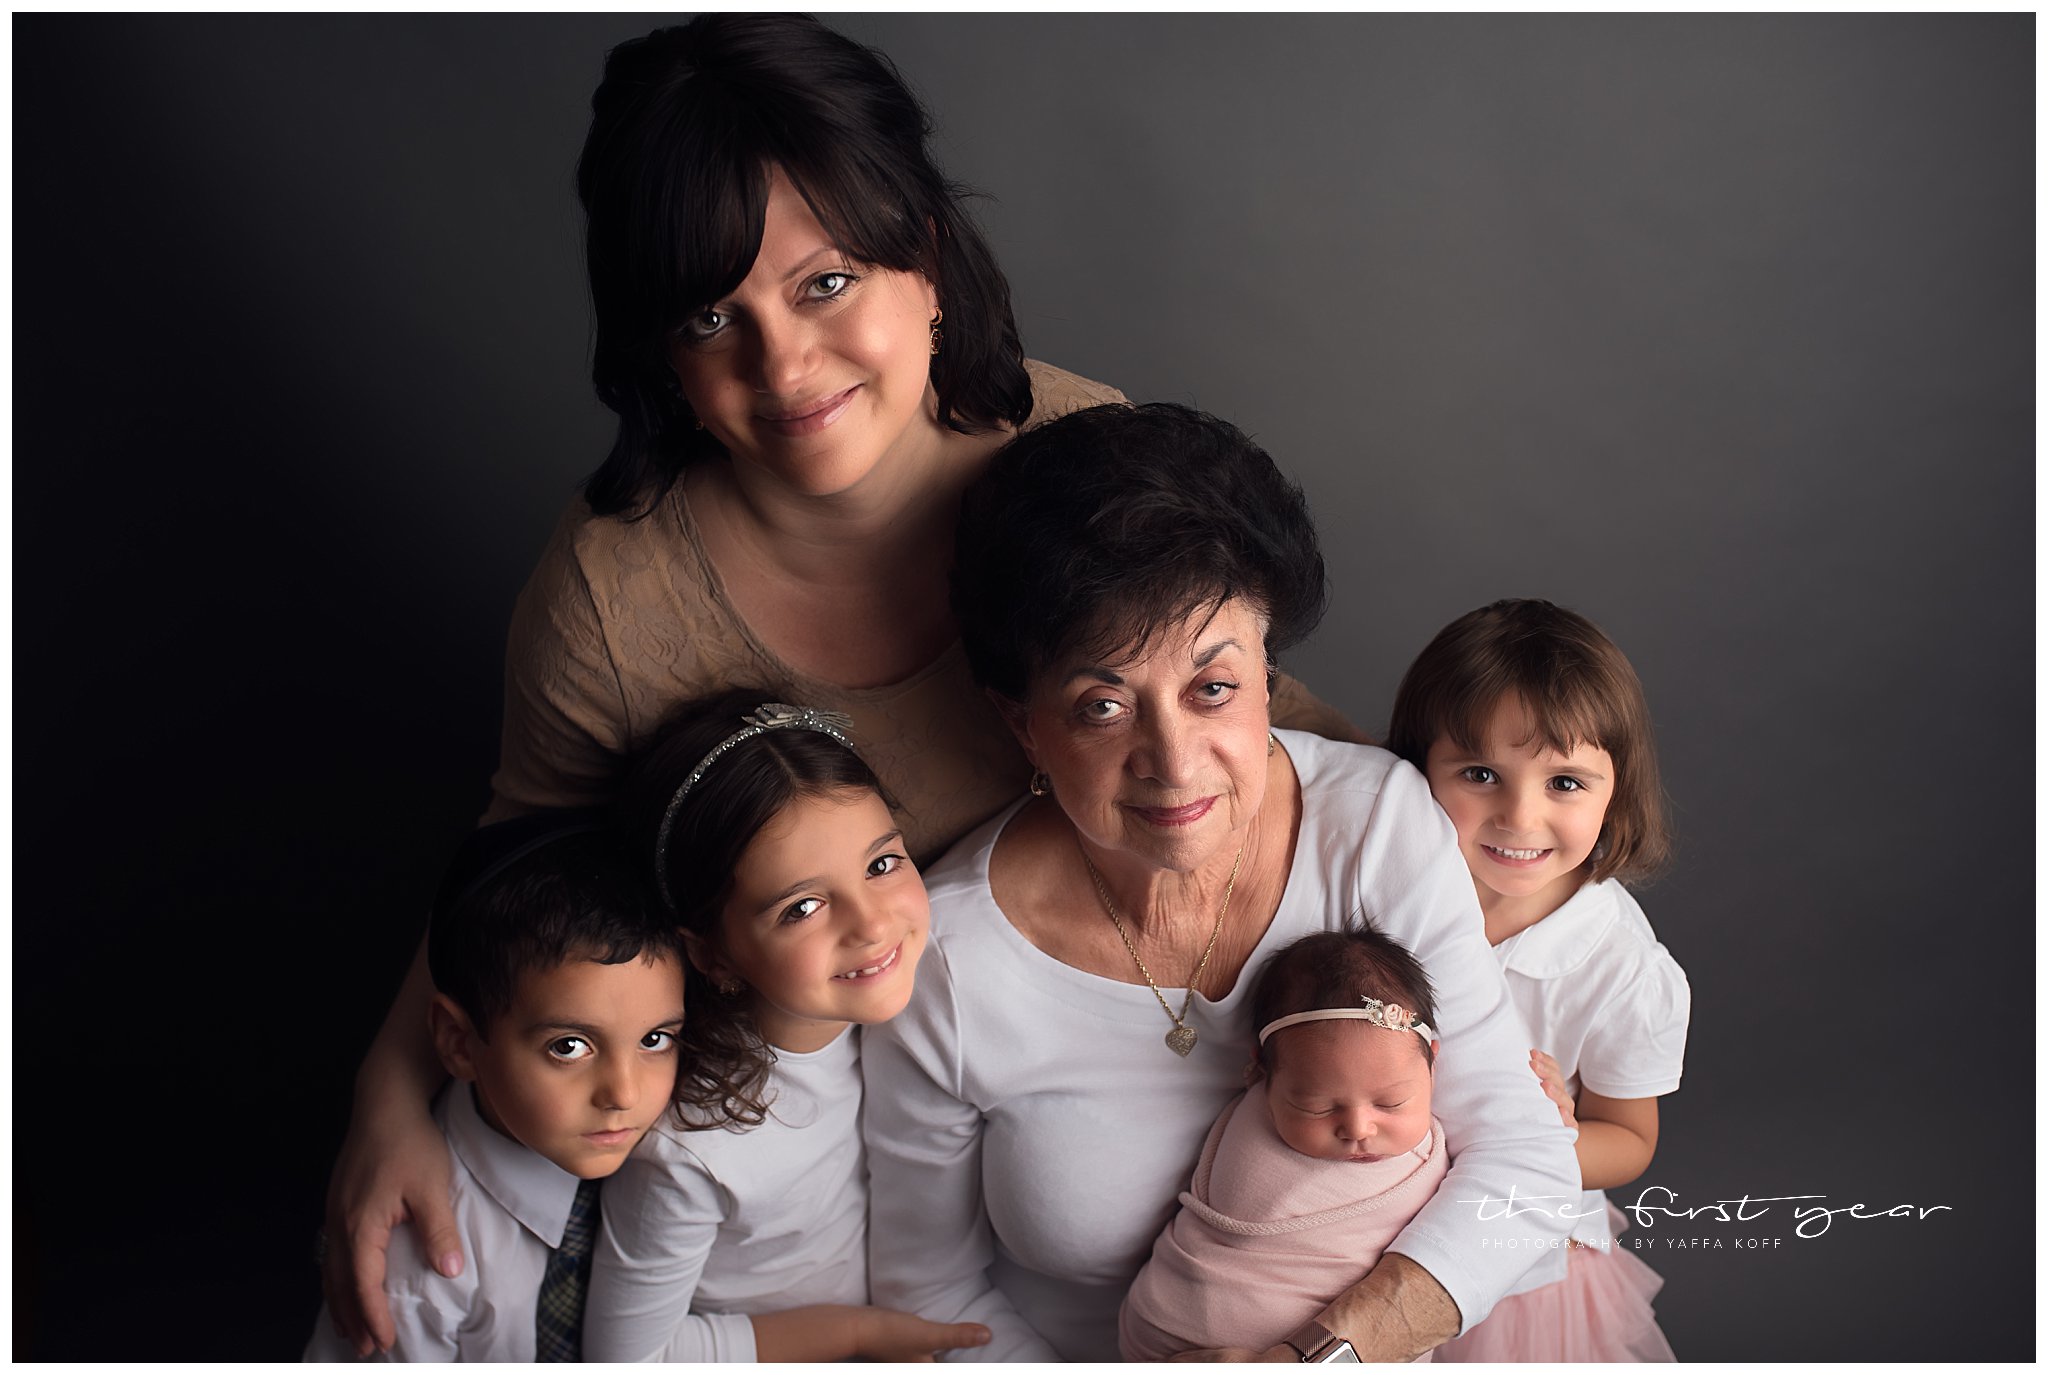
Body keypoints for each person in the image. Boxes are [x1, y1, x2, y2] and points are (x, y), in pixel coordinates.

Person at [320, 17, 1357, 1352]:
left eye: (823, 284)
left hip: (1080, 1116)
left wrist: (1511, 955)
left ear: (924, 258)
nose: (784, 366)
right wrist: (389, 1094)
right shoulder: (613, 594)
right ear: (662, 358)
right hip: (775, 1190)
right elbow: (520, 872)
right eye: (712, 318)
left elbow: (1263, 720)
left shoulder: (1072, 451)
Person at [863, 402, 1581, 1362]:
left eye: (1213, 688)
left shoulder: (1376, 825)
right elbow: (931, 1298)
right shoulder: (944, 961)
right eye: (1102, 705)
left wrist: (1323, 1358)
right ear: (1022, 723)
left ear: (1269, 679)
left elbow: (1526, 1159)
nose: (1172, 760)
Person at [582, 690, 990, 1362]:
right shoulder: (689, 1149)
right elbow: (628, 1359)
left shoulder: (932, 996)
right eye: (802, 906)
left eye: (882, 863)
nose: (872, 924)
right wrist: (851, 1334)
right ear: (710, 952)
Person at [1387, 598, 1690, 1363]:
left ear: (1615, 789)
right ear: (1420, 766)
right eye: (1481, 773)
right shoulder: (1392, 887)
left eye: (1565, 783)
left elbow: (1630, 1138)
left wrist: (1542, 1137)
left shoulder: (1618, 962)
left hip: (1517, 1263)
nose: (1519, 817)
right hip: (1371, 1224)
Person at [305, 817, 686, 1361]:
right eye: (569, 1047)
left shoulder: (669, 1149)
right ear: (460, 1043)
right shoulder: (419, 1273)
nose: (624, 1094)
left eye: (655, 1039)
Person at [1119, 924, 1451, 1362]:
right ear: (1262, 1073)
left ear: (1433, 1065)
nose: (1358, 1128)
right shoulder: (1252, 1126)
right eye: (1317, 1106)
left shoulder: (1453, 1128)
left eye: (1391, 1103)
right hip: (1177, 1335)